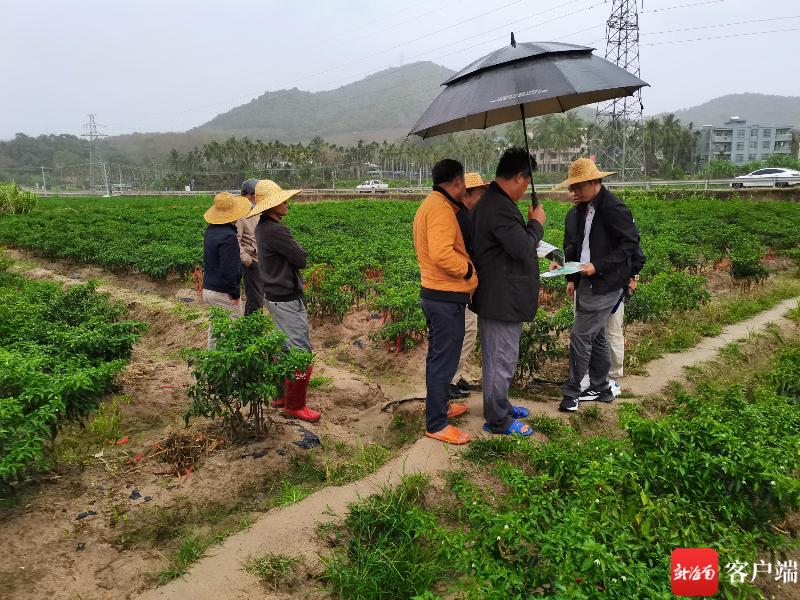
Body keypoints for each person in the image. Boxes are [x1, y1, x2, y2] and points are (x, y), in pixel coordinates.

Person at [556, 158, 643, 412]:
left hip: (605, 283)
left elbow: (630, 245)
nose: (573, 192)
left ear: (595, 182)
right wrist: (568, 272)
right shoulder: (581, 210)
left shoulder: (614, 208)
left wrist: (599, 265)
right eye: (572, 187)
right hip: (585, 280)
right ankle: (602, 387)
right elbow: (575, 245)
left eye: (578, 186)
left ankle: (571, 394)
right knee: (597, 335)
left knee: (581, 336)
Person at [471, 148, 546, 437]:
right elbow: (521, 247)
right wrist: (536, 224)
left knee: (500, 357)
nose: (526, 189)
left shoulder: (492, 202)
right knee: (500, 359)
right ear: (518, 177)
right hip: (500, 297)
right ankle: (498, 420)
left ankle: (499, 404)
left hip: (498, 295)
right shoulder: (498, 207)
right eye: (527, 183)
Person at [413, 159, 477, 445]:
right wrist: (468, 271)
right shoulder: (440, 208)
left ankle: (440, 409)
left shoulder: (434, 203)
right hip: (444, 296)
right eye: (463, 183)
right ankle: (436, 423)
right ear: (457, 182)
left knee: (439, 358)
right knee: (443, 360)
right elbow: (441, 253)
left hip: (438, 294)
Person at [250, 179, 321, 422]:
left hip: (274, 297)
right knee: (300, 351)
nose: (287, 203)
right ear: (271, 206)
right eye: (282, 201)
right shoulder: (276, 230)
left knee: (282, 348)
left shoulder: (261, 228)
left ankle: (280, 396)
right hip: (286, 298)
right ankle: (295, 405)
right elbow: (301, 258)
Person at [578, 241, 645, 396]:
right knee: (591, 332)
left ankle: (613, 377)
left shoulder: (617, 219)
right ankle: (593, 374)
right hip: (590, 286)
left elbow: (635, 253)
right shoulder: (581, 219)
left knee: (612, 330)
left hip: (614, 285)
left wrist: (633, 277)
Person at [448, 172, 488, 400]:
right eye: (480, 193)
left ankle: (454, 375)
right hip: (461, 287)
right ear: (467, 195)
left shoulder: (464, 215)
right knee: (466, 332)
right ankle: (450, 380)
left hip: (463, 286)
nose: (482, 198)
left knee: (464, 332)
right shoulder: (463, 218)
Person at [202, 191, 251, 349]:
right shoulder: (228, 237)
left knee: (216, 331)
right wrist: (235, 295)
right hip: (223, 293)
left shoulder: (211, 231)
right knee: (231, 333)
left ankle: (212, 365)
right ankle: (229, 373)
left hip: (209, 289)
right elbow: (229, 270)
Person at [236, 178, 264, 316]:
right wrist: (247, 260)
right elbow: (235, 240)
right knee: (255, 299)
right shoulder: (240, 213)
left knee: (258, 297)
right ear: (252, 195)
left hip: (260, 259)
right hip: (251, 261)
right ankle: (250, 332)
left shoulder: (256, 210)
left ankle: (252, 329)